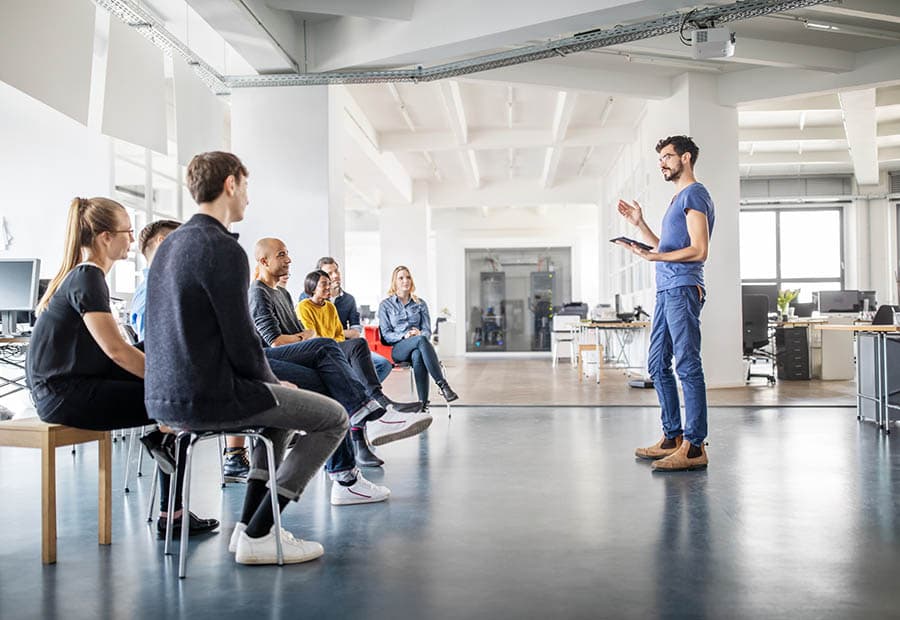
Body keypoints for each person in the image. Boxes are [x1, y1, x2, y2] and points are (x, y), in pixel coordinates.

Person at [144, 151, 348, 565]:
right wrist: (271, 381)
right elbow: (241, 340)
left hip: (162, 399)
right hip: (208, 397)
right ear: (231, 184)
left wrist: (266, 383)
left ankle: (248, 531)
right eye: (246, 187)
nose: (248, 200)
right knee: (333, 419)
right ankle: (262, 531)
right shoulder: (223, 248)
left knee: (276, 425)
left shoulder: (171, 245)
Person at [26, 197, 218, 538]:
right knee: (181, 402)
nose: (132, 240)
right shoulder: (88, 277)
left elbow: (115, 352)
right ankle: (170, 509)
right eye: (127, 232)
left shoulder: (86, 276)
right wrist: (172, 383)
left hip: (73, 385)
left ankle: (167, 484)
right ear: (104, 237)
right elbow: (115, 351)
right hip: (64, 395)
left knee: (168, 364)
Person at [251, 239, 429, 469]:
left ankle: (374, 409)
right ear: (264, 261)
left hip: (295, 353)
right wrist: (303, 338)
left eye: (288, 254)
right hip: (272, 359)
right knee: (326, 351)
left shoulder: (282, 294)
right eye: (282, 254)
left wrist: (302, 337)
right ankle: (354, 455)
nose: (289, 259)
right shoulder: (258, 292)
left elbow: (303, 332)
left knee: (356, 347)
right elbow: (275, 341)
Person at [616, 135, 715, 472]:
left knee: (687, 364)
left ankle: (694, 445)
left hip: (684, 288)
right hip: (666, 289)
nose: (663, 163)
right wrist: (640, 227)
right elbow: (666, 249)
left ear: (686, 158)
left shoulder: (694, 194)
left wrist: (655, 256)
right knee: (657, 364)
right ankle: (672, 437)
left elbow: (699, 250)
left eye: (668, 156)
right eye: (661, 158)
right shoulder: (677, 199)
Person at [131, 220, 250, 483]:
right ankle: (235, 456)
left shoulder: (166, 287)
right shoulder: (153, 291)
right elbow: (162, 345)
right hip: (176, 385)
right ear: (164, 244)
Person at [378, 265, 458, 406]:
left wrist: (420, 333)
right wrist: (405, 335)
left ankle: (423, 404)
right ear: (394, 282)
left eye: (408, 277)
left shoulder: (420, 304)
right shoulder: (386, 305)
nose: (405, 281)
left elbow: (427, 331)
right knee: (420, 341)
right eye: (401, 278)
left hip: (418, 347)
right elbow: (386, 334)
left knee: (417, 354)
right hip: (399, 348)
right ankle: (443, 385)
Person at [314, 256, 393, 383]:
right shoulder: (310, 299)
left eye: (336, 271)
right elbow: (312, 331)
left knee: (383, 364)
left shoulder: (349, 299)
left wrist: (336, 333)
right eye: (330, 273)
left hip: (348, 346)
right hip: (325, 348)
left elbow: (356, 331)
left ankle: (362, 397)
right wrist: (341, 332)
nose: (335, 276)